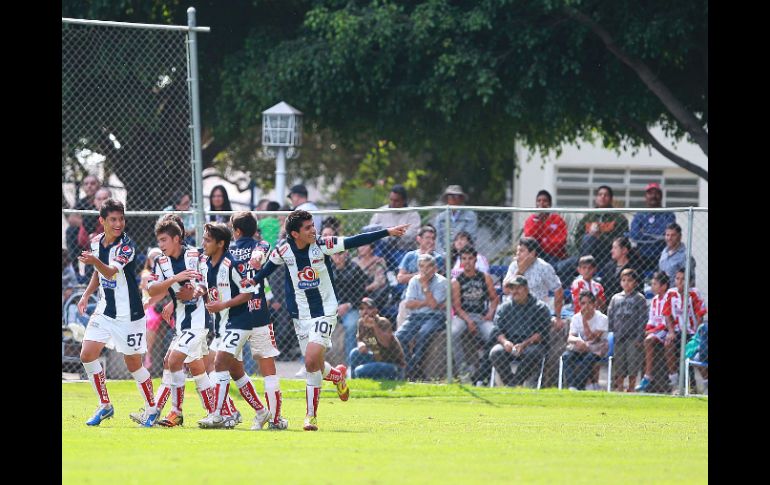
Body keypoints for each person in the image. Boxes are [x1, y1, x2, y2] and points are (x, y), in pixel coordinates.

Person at [250, 209, 409, 431]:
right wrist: (251, 281)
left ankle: (310, 416)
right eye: (307, 228)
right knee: (313, 363)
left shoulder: (323, 245)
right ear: (295, 233)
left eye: (313, 225)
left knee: (310, 361)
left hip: (325, 310)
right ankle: (336, 376)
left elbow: (356, 240)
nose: (313, 230)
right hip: (300, 314)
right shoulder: (284, 249)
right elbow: (267, 269)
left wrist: (387, 232)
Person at [196, 221, 288, 430]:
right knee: (244, 370)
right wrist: (200, 290)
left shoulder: (232, 260)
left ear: (224, 240)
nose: (204, 243)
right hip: (238, 321)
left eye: (208, 239)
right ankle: (265, 414)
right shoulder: (208, 262)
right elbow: (205, 283)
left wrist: (222, 303)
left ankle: (219, 414)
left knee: (219, 363)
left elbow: (246, 291)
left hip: (239, 320)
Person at [75, 198, 158, 427]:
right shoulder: (95, 243)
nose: (118, 223)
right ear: (102, 221)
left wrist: (95, 261)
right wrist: (86, 295)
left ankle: (152, 409)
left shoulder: (127, 246)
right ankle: (105, 406)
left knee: (133, 364)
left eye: (121, 218)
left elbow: (110, 272)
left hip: (129, 315)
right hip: (105, 311)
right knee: (87, 354)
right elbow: (98, 273)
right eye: (113, 219)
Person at [146, 217, 217, 427]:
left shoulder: (196, 255)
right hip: (181, 324)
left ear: (176, 238)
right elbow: (152, 289)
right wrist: (175, 280)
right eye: (158, 241)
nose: (160, 245)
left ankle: (175, 412)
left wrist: (196, 291)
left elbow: (206, 283)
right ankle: (220, 411)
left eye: (164, 240)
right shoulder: (161, 261)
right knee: (197, 368)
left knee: (174, 361)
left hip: (199, 322)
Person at [504, 237, 566, 387]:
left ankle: (534, 382)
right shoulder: (514, 266)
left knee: (537, 347)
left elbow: (558, 290)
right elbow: (506, 289)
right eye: (517, 251)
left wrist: (557, 316)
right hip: (514, 315)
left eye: (522, 251)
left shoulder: (544, 267)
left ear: (533, 253)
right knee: (497, 345)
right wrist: (521, 270)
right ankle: (512, 383)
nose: (518, 254)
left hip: (536, 316)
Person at [488, 275, 551, 387]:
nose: (514, 291)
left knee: (533, 352)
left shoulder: (540, 307)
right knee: (496, 351)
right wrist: (505, 342)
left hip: (531, 345)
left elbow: (541, 333)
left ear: (526, 289)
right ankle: (513, 384)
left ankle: (513, 384)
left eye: (518, 288)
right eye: (512, 288)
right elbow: (496, 329)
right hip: (510, 344)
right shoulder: (505, 307)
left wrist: (524, 344)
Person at [394, 254, 448, 381]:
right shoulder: (414, 280)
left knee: (423, 333)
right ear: (418, 268)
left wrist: (424, 286)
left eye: (429, 267)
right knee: (399, 336)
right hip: (416, 316)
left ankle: (412, 369)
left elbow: (434, 306)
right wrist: (426, 302)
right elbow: (408, 304)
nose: (425, 270)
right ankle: (412, 370)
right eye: (422, 267)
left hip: (435, 317)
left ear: (435, 268)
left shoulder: (442, 281)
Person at [451, 247, 499, 379]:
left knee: (493, 334)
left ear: (475, 260)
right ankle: (463, 370)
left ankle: (484, 370)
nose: (467, 262)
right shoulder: (456, 282)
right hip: (462, 316)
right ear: (460, 261)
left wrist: (490, 313)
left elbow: (495, 298)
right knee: (453, 332)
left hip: (480, 316)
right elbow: (457, 307)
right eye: (464, 259)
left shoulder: (485, 278)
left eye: (470, 258)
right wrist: (469, 321)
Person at [659, 267, 708, 394]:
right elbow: (667, 314)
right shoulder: (671, 293)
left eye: (683, 279)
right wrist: (670, 331)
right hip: (677, 331)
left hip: (692, 332)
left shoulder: (694, 294)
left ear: (690, 282)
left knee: (692, 351)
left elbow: (699, 316)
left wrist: (697, 336)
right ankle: (675, 382)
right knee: (669, 344)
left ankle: (701, 384)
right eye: (677, 279)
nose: (679, 282)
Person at [606, 269, 648, 392]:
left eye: (630, 280)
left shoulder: (639, 298)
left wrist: (640, 337)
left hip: (633, 336)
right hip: (619, 336)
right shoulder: (615, 298)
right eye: (623, 280)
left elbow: (642, 318)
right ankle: (619, 386)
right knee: (619, 362)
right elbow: (611, 315)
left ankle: (631, 386)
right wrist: (610, 332)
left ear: (635, 282)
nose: (626, 283)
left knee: (632, 362)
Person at [396, 225, 445, 326]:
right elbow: (400, 278)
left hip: (431, 298)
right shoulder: (410, 256)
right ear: (419, 239)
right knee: (402, 325)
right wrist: (422, 272)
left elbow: (435, 279)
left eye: (433, 238)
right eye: (427, 238)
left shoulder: (438, 259)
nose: (431, 241)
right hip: (409, 298)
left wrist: (428, 258)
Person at [571, 185, 629, 270]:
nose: (603, 197)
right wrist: (586, 245)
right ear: (596, 198)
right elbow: (577, 237)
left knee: (589, 238)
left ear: (611, 199)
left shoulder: (619, 218)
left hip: (607, 255)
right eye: (600, 194)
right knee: (560, 267)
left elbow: (622, 241)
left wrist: (599, 237)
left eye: (606, 195)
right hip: (585, 254)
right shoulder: (588, 217)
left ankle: (584, 269)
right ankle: (584, 267)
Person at [562, 291, 609, 391]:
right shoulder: (575, 318)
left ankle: (578, 387)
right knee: (566, 356)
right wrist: (577, 341)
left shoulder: (602, 318)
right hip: (582, 346)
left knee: (588, 358)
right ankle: (572, 386)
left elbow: (593, 338)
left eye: (589, 303)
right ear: (579, 304)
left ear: (594, 304)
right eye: (583, 303)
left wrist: (584, 321)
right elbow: (570, 337)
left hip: (597, 347)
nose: (586, 306)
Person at [349, 297, 406, 380]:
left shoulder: (383, 322)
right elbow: (359, 339)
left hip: (392, 363)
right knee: (354, 353)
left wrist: (374, 326)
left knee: (359, 371)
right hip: (376, 358)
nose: (365, 311)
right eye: (361, 308)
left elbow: (385, 343)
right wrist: (361, 345)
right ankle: (354, 385)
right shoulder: (361, 322)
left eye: (368, 308)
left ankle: (392, 377)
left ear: (375, 310)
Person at [635, 271, 672, 393]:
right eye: (651, 284)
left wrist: (652, 331)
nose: (652, 287)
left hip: (666, 331)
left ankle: (648, 375)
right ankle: (645, 382)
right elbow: (651, 319)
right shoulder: (655, 300)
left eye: (655, 284)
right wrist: (648, 330)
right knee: (643, 339)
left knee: (649, 340)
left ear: (664, 286)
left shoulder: (669, 298)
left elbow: (666, 323)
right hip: (656, 330)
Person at [330, 250, 369, 365]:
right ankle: (310, 364)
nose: (337, 256)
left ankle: (350, 365)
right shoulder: (325, 268)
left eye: (340, 253)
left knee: (352, 326)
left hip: (351, 306)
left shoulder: (355, 269)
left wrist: (347, 305)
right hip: (331, 306)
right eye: (335, 253)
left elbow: (361, 293)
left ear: (346, 253)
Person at [629, 183, 675, 276]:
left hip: (661, 253)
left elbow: (666, 235)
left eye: (656, 193)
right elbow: (634, 235)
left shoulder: (668, 214)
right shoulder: (640, 214)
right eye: (650, 193)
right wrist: (657, 236)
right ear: (645, 196)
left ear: (661, 196)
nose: (653, 196)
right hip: (641, 256)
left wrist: (644, 233)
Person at [140, 247, 173, 370]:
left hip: (164, 304)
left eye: (157, 257)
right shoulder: (146, 273)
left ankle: (181, 359)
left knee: (175, 321)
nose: (155, 259)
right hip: (150, 305)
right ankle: (148, 356)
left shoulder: (167, 272)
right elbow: (150, 286)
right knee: (152, 320)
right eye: (152, 258)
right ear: (148, 260)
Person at [368, 184, 421, 253]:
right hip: (382, 247)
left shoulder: (413, 214)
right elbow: (371, 229)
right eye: (391, 200)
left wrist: (395, 234)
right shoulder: (380, 211)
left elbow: (412, 235)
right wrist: (388, 234)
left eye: (396, 201)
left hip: (403, 249)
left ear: (404, 201)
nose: (392, 203)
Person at [522, 190, 568, 266]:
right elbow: (530, 239)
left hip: (554, 256)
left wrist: (543, 242)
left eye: (545, 201)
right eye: (539, 201)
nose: (541, 203)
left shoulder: (558, 220)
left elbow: (560, 243)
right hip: (536, 256)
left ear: (550, 204)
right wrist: (537, 221)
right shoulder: (531, 220)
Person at [434, 185, 478, 251]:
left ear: (461, 198)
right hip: (443, 253)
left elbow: (471, 237)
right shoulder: (440, 217)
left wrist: (459, 253)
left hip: (463, 253)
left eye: (456, 196)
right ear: (446, 199)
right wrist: (443, 255)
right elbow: (437, 239)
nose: (453, 198)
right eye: (450, 196)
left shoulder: (470, 216)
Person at [352, 243, 389, 308]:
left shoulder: (379, 261)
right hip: (353, 292)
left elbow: (379, 281)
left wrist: (363, 290)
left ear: (372, 249)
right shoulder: (354, 261)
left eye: (365, 245)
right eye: (360, 245)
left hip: (371, 292)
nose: (362, 248)